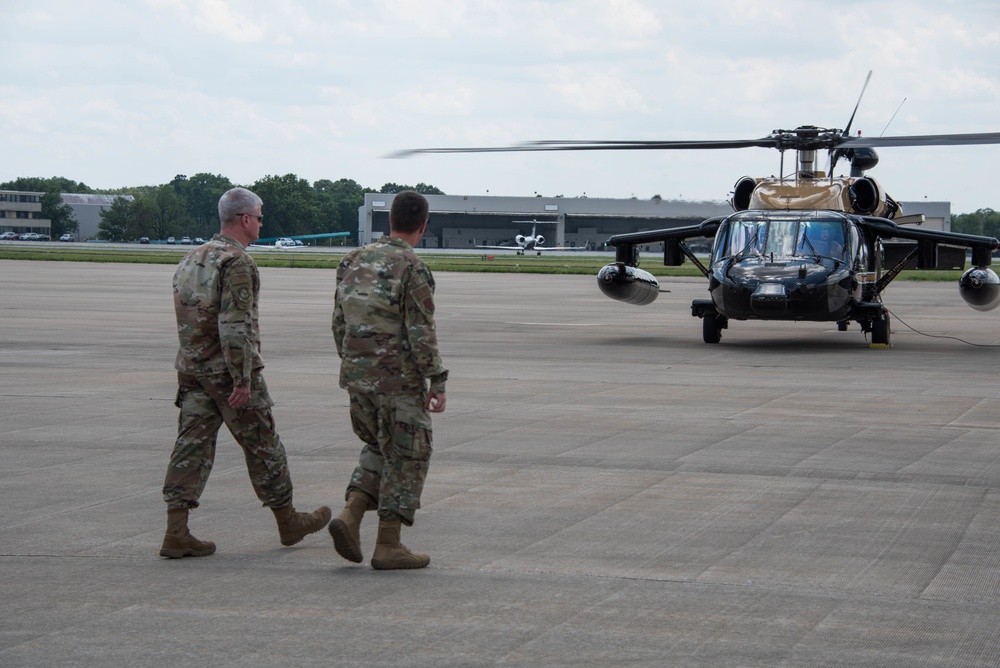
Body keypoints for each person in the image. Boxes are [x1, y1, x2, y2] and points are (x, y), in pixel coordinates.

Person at [160, 187, 331, 558]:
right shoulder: (237, 262)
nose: (261, 223)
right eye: (260, 216)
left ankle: (176, 531)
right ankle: (289, 521)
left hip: (193, 369)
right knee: (264, 444)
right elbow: (234, 324)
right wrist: (242, 378)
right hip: (227, 371)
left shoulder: (192, 258)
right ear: (245, 220)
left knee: (191, 447)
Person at [329, 190, 447, 570]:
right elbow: (421, 332)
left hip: (358, 378)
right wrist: (437, 381)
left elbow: (338, 323)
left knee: (378, 448)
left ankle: (350, 513)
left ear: (389, 221)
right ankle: (388, 544)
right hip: (399, 382)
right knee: (408, 455)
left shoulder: (352, 260)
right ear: (423, 225)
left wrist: (355, 365)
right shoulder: (413, 267)